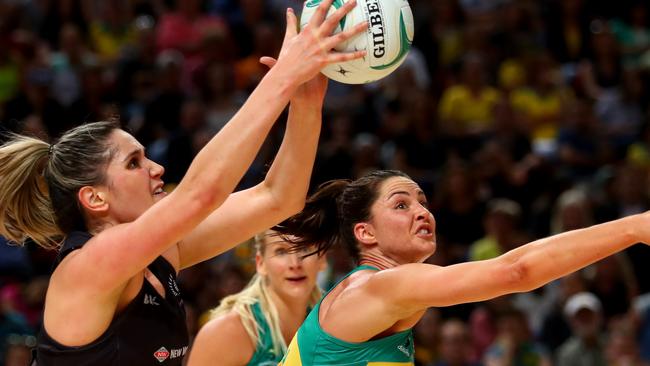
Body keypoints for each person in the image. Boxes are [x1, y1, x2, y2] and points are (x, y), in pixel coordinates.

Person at [0, 1, 367, 364]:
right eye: (134, 163)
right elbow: (200, 194)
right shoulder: (87, 268)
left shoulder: (159, 255)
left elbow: (277, 198)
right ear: (94, 198)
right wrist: (283, 76)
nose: (157, 168)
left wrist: (306, 97)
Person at [273, 169, 650, 365]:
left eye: (423, 201)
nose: (422, 212)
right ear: (365, 233)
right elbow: (516, 271)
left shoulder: (375, 296)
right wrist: (634, 227)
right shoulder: (379, 287)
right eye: (401, 205)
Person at [187, 230, 326, 365]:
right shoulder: (227, 332)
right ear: (261, 263)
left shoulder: (333, 320)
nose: (295, 264)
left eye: (304, 248)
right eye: (281, 251)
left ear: (322, 258)